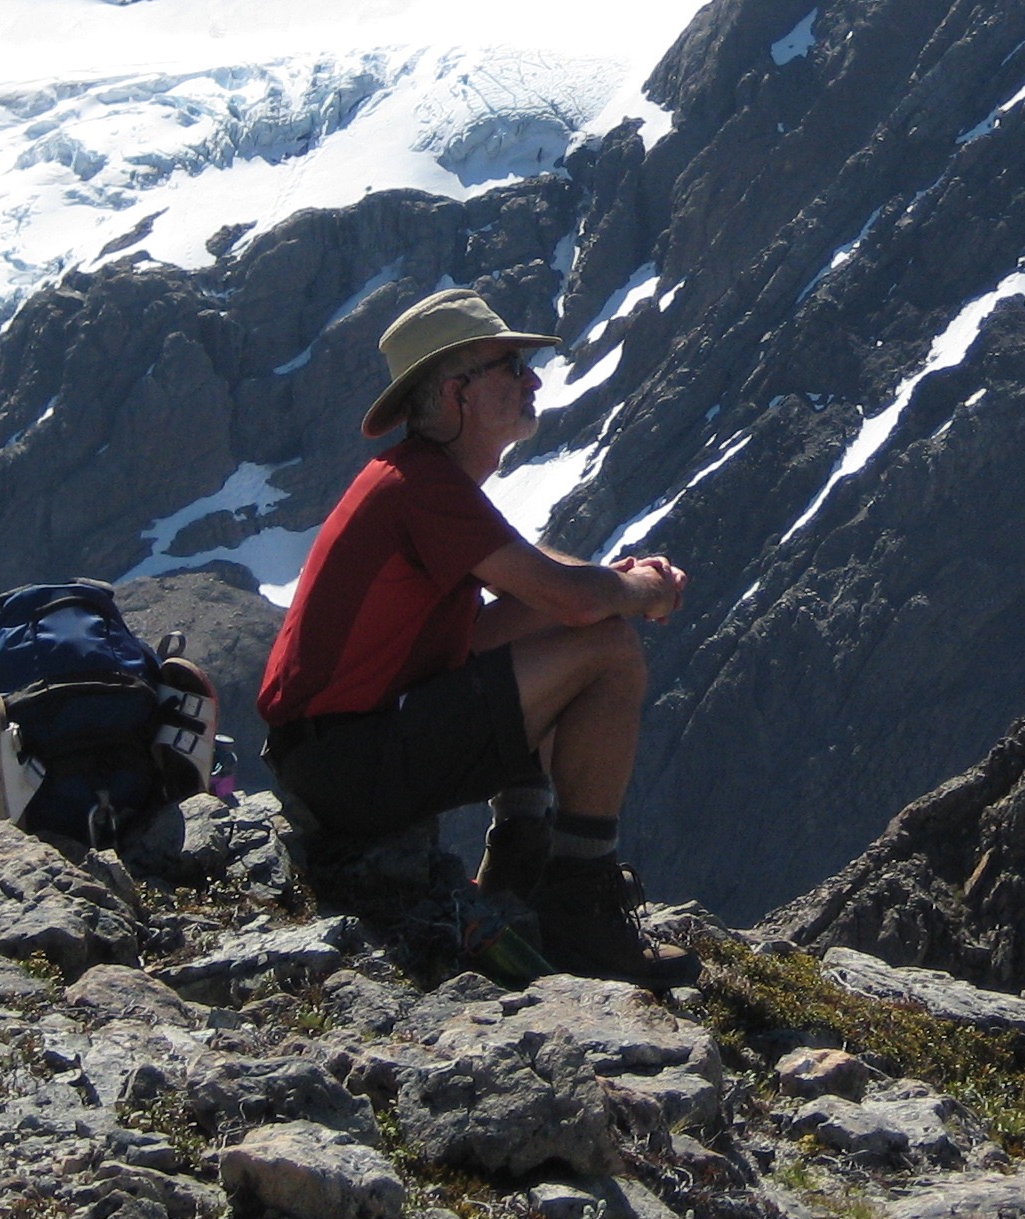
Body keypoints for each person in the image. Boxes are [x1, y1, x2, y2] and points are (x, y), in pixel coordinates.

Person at [257, 285, 697, 989]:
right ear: (456, 391)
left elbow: (541, 584)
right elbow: (571, 598)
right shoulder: (422, 490)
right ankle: (579, 909)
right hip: (352, 766)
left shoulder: (421, 482)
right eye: (511, 368)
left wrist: (615, 583)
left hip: (332, 759)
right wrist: (644, 591)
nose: (532, 381)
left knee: (567, 623)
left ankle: (520, 860)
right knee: (609, 651)